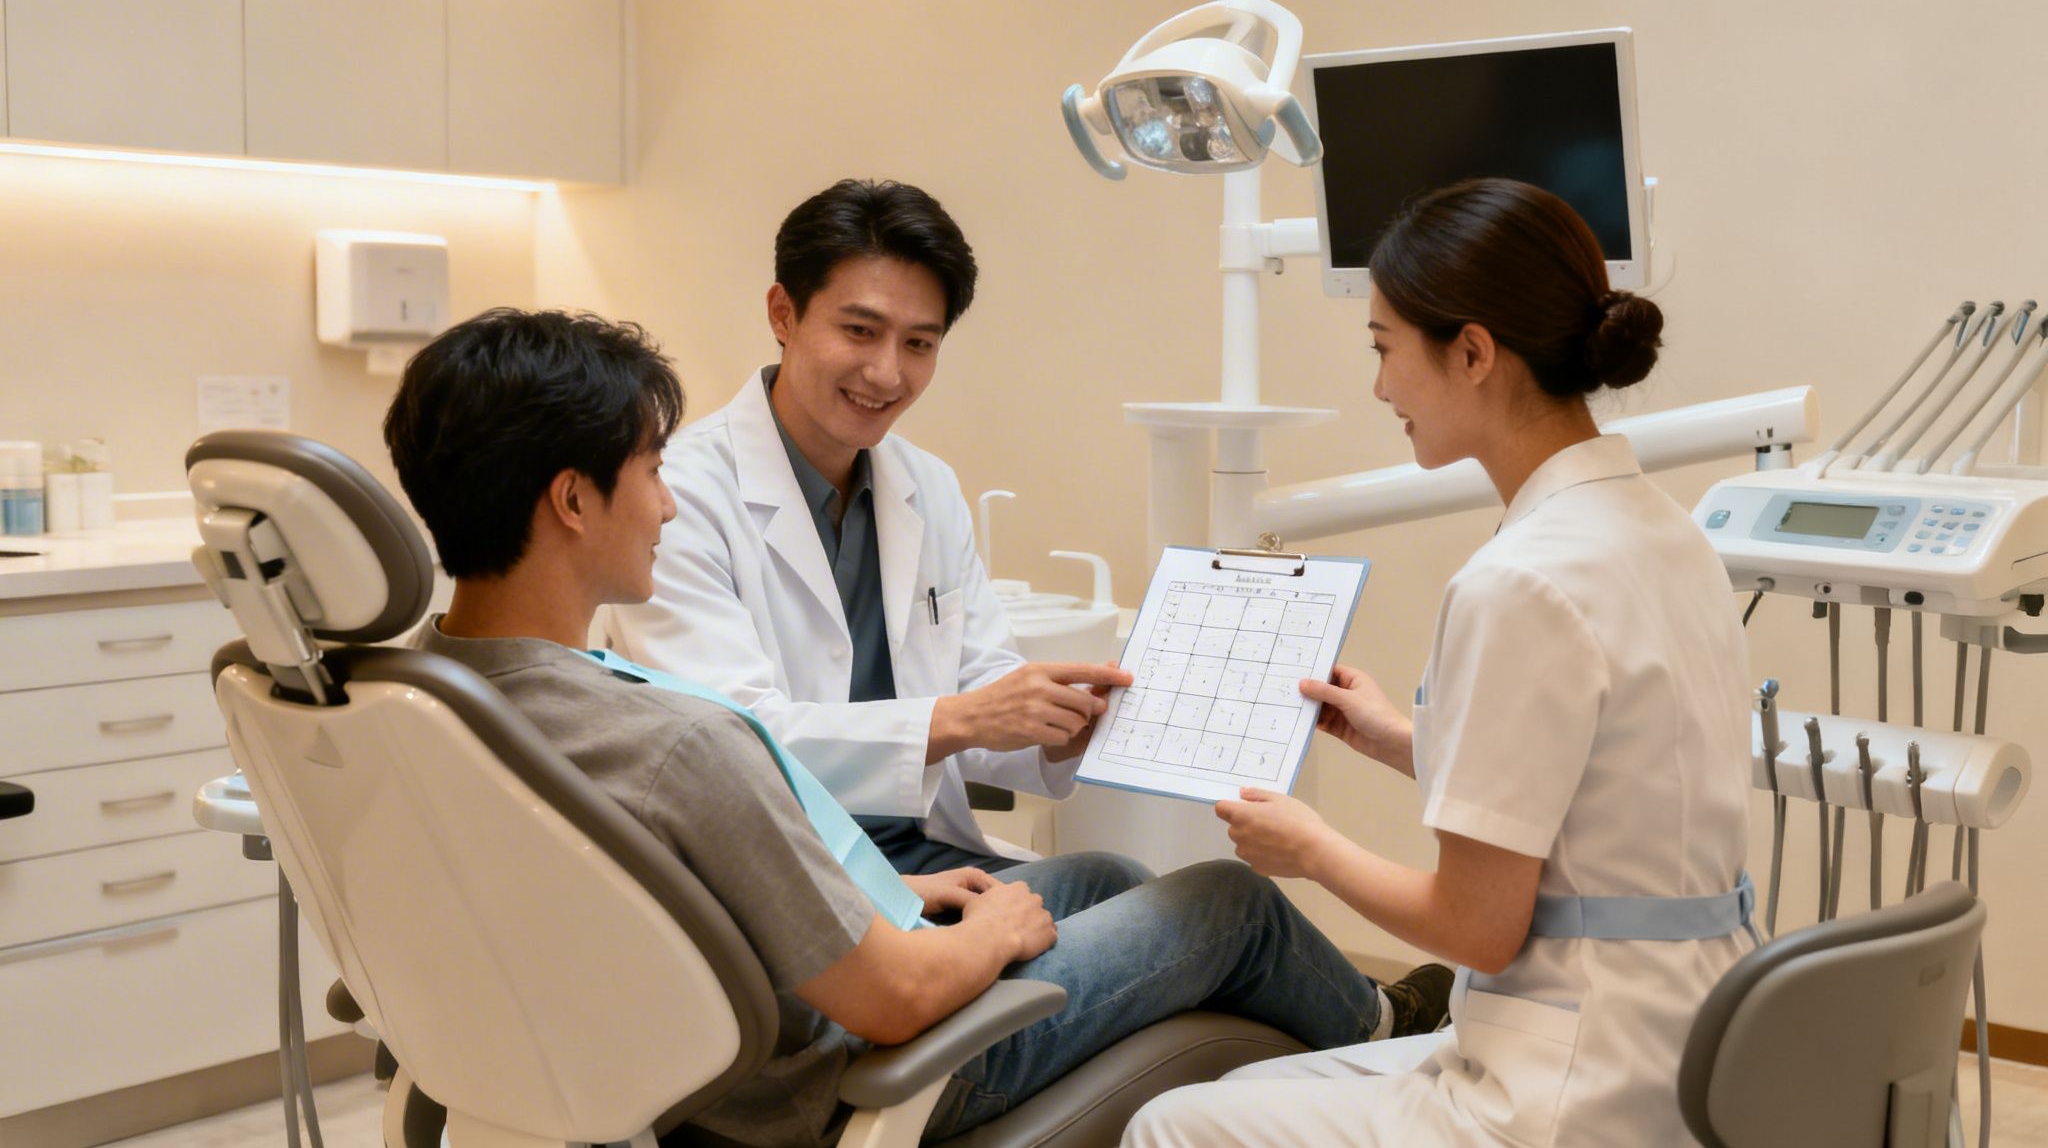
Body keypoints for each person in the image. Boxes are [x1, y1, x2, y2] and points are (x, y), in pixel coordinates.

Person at [382, 307, 1453, 1148]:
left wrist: (919, 870)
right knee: (1227, 903)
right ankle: (1388, 1043)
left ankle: (1327, 1035)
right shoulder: (674, 741)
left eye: (919, 340)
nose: (668, 506)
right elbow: (890, 1000)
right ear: (573, 502)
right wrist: (986, 937)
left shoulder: (423, 698)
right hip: (831, 1078)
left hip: (719, 1022)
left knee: (1107, 880)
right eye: (651, 474)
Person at [1124, 179, 1756, 1147]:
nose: (1379, 390)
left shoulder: (1514, 583)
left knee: (1167, 1128)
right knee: (1280, 1083)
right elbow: (1604, 802)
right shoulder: (1669, 536)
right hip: (1688, 1053)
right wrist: (1400, 740)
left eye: (1384, 350)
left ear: (1470, 353)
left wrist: (1310, 849)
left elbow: (1475, 927)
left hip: (1564, 1090)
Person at [605, 178, 1136, 882]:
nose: (887, 372)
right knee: (1183, 908)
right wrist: (963, 718)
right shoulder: (678, 494)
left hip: (921, 858)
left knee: (1125, 884)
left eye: (919, 343)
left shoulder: (929, 488)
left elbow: (982, 692)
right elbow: (733, 745)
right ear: (783, 313)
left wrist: (1064, 726)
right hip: (785, 878)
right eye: (860, 331)